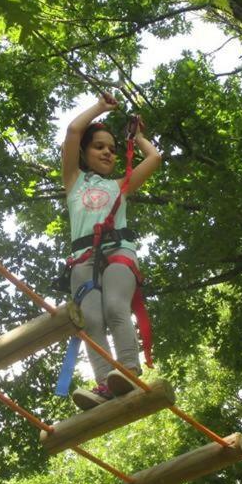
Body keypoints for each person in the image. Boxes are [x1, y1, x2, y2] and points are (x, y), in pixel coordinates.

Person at [61, 92, 162, 409]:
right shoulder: (74, 180)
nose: (107, 152)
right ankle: (106, 382)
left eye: (113, 149)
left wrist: (139, 137)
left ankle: (129, 371)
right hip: (82, 259)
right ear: (84, 153)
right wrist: (100, 108)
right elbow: (73, 132)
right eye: (99, 146)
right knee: (90, 320)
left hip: (119, 253)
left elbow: (155, 159)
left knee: (116, 307)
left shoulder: (121, 185)